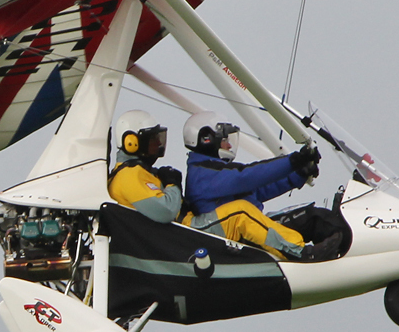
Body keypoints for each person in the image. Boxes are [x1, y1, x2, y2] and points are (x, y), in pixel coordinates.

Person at [181, 111, 341, 262]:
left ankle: (341, 240)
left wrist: (297, 175)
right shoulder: (202, 174)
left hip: (249, 230)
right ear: (206, 139)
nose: (229, 146)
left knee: (313, 217)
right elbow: (246, 177)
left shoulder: (214, 171)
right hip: (230, 239)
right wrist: (293, 161)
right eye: (225, 140)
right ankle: (303, 255)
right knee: (242, 210)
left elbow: (256, 191)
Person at [107, 110, 183, 223]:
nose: (158, 143)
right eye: (153, 138)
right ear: (131, 143)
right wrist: (172, 184)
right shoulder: (129, 175)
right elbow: (166, 211)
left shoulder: (133, 172)